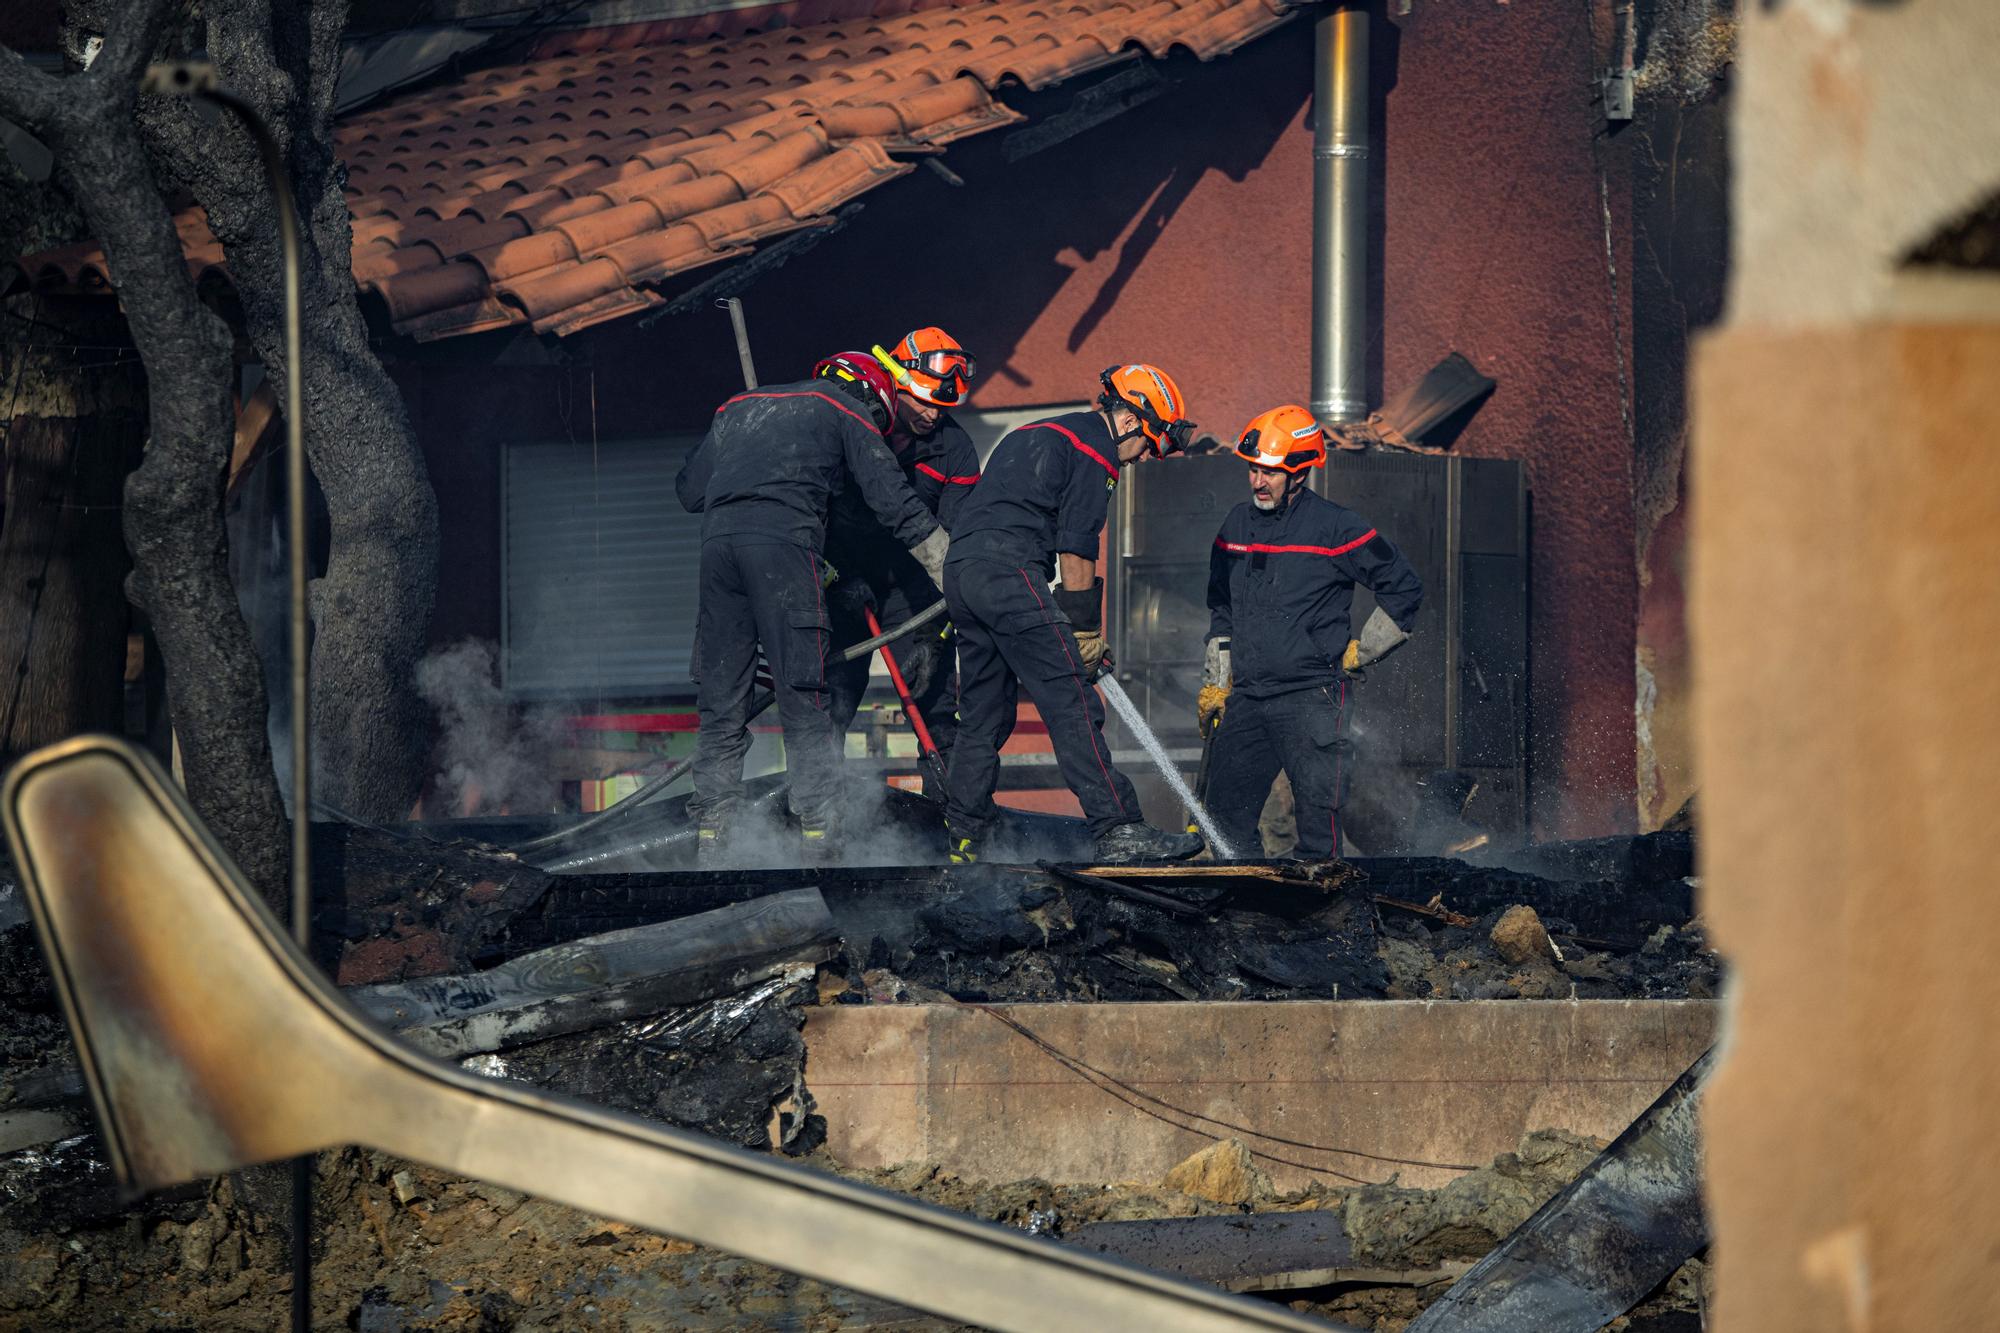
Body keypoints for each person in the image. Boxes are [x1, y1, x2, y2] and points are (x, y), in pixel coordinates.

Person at [675, 353, 950, 865]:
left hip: (717, 550)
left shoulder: (737, 407)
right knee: (804, 691)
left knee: (722, 693)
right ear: (872, 397)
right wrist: (951, 569)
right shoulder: (843, 409)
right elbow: (894, 502)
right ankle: (819, 833)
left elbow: (689, 492)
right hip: (785, 544)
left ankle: (713, 834)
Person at [941, 364, 1206, 864]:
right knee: (1073, 701)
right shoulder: (1094, 450)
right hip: (1009, 571)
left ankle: (963, 837)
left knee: (982, 714)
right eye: (1148, 443)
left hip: (963, 573)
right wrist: (1084, 631)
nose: (1142, 457)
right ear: (1128, 421)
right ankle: (1119, 828)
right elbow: (1078, 549)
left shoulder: (1038, 431)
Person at [1198, 404, 1423, 861]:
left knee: (1319, 828)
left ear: (1299, 471)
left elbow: (1403, 588)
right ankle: (1245, 914)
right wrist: (1218, 681)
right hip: (1249, 698)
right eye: (1253, 470)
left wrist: (1363, 651)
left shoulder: (1338, 527)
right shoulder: (1235, 527)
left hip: (1313, 696)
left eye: (1270, 472)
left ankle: (1326, 923)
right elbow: (1221, 606)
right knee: (1222, 820)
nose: (1258, 481)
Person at [822, 329, 984, 763]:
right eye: (924, 401)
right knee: (830, 703)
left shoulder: (955, 450)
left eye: (943, 406)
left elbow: (956, 545)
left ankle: (953, 808)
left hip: (909, 588)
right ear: (896, 383)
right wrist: (831, 580)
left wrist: (935, 634)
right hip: (840, 581)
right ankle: (816, 812)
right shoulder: (850, 429)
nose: (933, 414)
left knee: (934, 705)